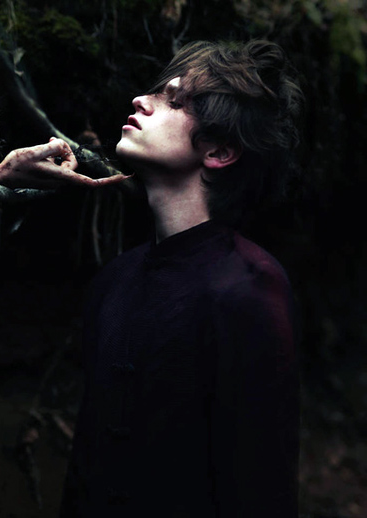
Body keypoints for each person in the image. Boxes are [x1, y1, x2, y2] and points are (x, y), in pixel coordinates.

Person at [51, 40, 303, 517]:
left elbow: (261, 485)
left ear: (220, 150)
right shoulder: (113, 281)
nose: (140, 100)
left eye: (175, 101)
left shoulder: (249, 289)